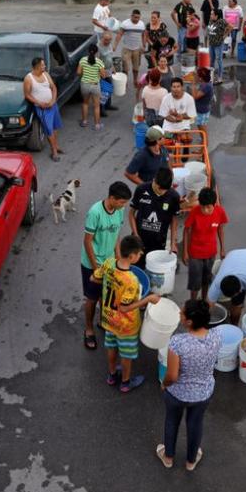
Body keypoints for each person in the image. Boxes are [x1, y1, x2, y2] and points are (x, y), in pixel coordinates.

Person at [91, 235, 161, 393]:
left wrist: (110, 285)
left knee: (111, 347)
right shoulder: (131, 280)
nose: (140, 255)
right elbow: (124, 308)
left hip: (108, 319)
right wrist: (148, 299)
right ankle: (125, 382)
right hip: (125, 325)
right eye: (139, 253)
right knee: (126, 355)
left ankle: (112, 375)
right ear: (131, 256)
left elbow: (93, 277)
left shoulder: (109, 263)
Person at [158, 300, 222, 470]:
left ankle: (168, 457)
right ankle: (191, 461)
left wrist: (164, 385)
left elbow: (172, 375)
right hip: (203, 394)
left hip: (177, 394)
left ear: (189, 322)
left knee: (172, 421)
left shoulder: (178, 343)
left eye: (183, 312)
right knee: (195, 424)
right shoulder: (216, 336)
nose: (180, 312)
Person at [81, 181, 132, 350]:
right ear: (112, 198)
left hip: (110, 261)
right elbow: (87, 242)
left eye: (124, 202)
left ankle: (103, 322)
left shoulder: (119, 210)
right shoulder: (95, 212)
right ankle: (88, 329)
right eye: (121, 202)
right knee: (92, 298)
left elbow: (116, 234)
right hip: (92, 263)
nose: (123, 205)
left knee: (107, 295)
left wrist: (118, 258)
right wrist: (96, 268)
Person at [183, 187, 229, 301]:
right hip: (195, 254)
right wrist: (185, 252)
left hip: (211, 253)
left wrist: (223, 248)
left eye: (208, 207)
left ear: (214, 205)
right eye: (202, 206)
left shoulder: (220, 212)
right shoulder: (194, 212)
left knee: (206, 279)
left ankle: (204, 300)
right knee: (195, 282)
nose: (205, 210)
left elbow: (220, 230)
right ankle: (193, 302)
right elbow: (186, 230)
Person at [129, 167, 181, 267]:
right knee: (136, 272)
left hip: (158, 242)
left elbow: (174, 220)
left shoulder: (174, 196)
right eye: (159, 188)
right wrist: (135, 234)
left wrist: (173, 243)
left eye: (164, 190)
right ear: (154, 180)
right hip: (139, 241)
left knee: (154, 272)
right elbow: (131, 213)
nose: (161, 192)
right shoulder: (141, 189)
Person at [23, 57, 63, 161]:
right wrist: (39, 103)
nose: (44, 66)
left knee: (55, 127)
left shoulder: (46, 74)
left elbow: (53, 87)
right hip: (43, 109)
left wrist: (53, 100)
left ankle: (56, 145)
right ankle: (54, 151)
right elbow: (27, 95)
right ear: (37, 67)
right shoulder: (29, 78)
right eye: (43, 65)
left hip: (52, 105)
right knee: (49, 130)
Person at [115, 9, 146, 96]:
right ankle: (125, 82)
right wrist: (115, 45)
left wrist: (144, 45)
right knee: (125, 67)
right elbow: (119, 34)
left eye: (138, 18)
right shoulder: (125, 23)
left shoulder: (141, 24)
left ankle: (135, 80)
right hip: (126, 49)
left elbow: (144, 34)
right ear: (131, 16)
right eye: (135, 17)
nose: (137, 19)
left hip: (137, 49)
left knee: (136, 68)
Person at [77, 43, 106, 130]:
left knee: (85, 103)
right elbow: (103, 75)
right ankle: (97, 125)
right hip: (95, 85)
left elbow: (78, 72)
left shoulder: (82, 60)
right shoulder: (99, 62)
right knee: (96, 106)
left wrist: (85, 74)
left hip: (84, 85)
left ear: (88, 51)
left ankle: (84, 121)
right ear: (96, 52)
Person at [97, 31, 119, 116]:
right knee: (103, 90)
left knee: (109, 88)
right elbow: (96, 61)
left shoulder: (109, 45)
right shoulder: (98, 47)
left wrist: (113, 67)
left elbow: (110, 57)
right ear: (102, 38)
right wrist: (100, 73)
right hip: (102, 71)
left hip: (109, 70)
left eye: (110, 40)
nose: (108, 42)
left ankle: (108, 105)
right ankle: (101, 109)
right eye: (106, 40)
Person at [205, 9, 229, 84]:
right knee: (211, 60)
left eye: (212, 14)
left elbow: (230, 26)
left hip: (218, 44)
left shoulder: (221, 21)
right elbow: (208, 31)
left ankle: (220, 77)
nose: (210, 15)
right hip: (211, 44)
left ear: (216, 15)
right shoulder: (211, 20)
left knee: (219, 60)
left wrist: (225, 35)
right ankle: (211, 76)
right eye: (211, 14)